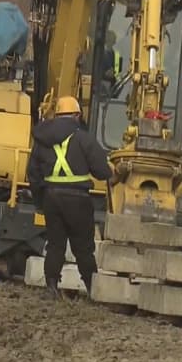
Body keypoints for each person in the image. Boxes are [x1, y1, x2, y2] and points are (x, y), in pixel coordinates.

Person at [26, 96, 113, 300]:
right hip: (78, 199)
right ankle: (93, 288)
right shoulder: (84, 138)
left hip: (51, 198)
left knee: (55, 243)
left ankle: (51, 286)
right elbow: (102, 171)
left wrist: (39, 202)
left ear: (56, 115)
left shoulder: (42, 140)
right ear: (76, 115)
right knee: (83, 247)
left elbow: (33, 173)